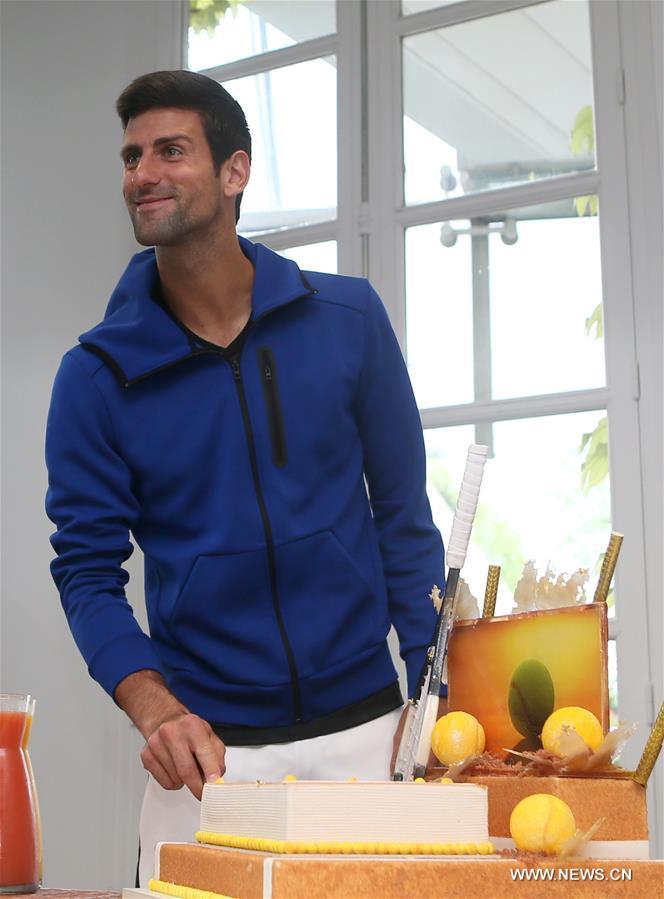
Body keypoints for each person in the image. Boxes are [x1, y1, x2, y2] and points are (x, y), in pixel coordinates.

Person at [45, 70, 444, 885]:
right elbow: (86, 574)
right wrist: (155, 708)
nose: (142, 174)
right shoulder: (93, 376)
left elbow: (403, 520)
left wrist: (438, 694)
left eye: (169, 150)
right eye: (130, 156)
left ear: (235, 171)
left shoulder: (349, 319)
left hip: (371, 737)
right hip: (208, 764)